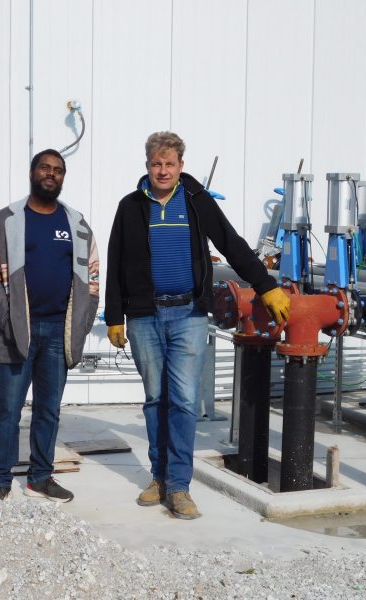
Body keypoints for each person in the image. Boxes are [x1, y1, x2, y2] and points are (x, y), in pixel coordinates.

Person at [105, 132, 290, 519]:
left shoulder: (195, 201)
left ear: (180, 166)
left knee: (185, 401)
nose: (163, 170)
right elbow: (115, 261)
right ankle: (158, 477)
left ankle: (179, 485)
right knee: (156, 399)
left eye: (170, 164)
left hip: (188, 315)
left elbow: (232, 242)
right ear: (147, 166)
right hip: (144, 318)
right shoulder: (130, 207)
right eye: (156, 164)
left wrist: (266, 286)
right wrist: (114, 316)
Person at [0, 148, 99, 502]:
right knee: (8, 410)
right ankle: (0, 481)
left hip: (58, 335)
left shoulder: (76, 223)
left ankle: (40, 477)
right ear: (32, 173)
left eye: (58, 170)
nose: (51, 174)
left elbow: (92, 280)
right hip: (16, 336)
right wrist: (10, 322)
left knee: (48, 410)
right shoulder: (6, 220)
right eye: (44, 168)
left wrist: (82, 325)